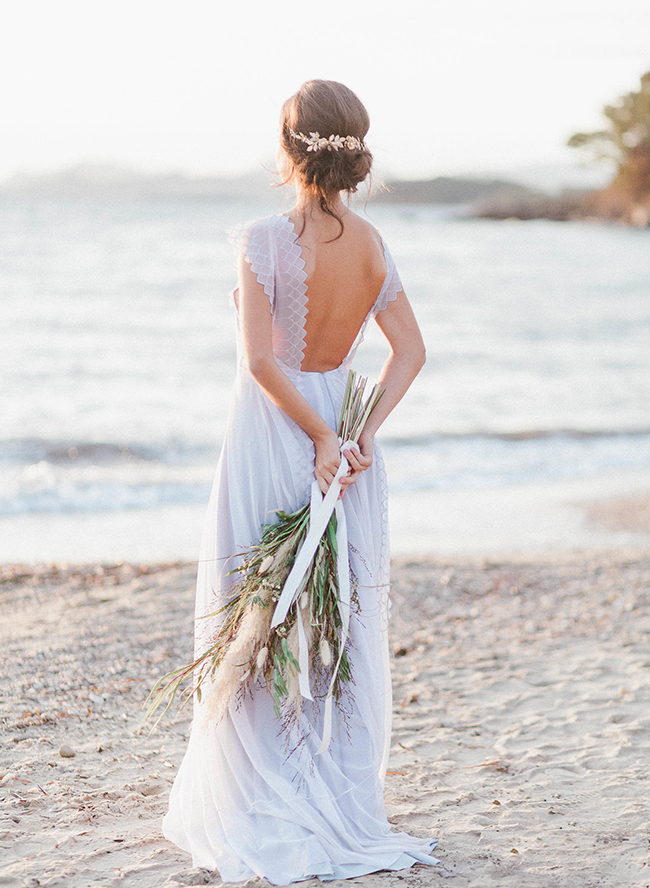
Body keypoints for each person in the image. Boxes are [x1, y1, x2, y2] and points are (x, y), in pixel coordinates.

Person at [162, 79, 441, 884]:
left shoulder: (262, 235)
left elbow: (257, 360)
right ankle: (323, 786)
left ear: (288, 150)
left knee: (255, 609)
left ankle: (260, 793)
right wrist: (355, 436)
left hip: (275, 434)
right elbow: (411, 353)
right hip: (343, 443)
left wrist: (321, 436)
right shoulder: (373, 243)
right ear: (353, 150)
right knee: (326, 621)